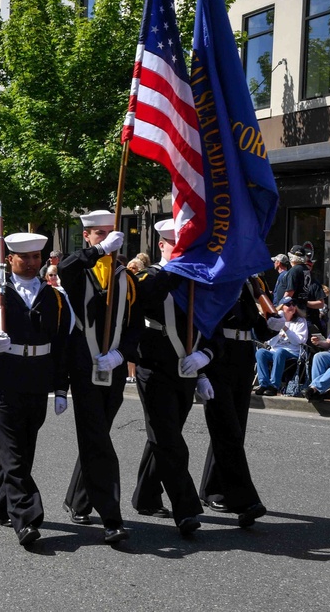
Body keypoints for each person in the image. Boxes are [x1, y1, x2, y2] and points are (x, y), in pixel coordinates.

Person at [0, 231, 72, 546]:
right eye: (25, 257)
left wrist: (61, 388)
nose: (32, 262)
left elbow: (61, 346)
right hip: (3, 381)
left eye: (36, 257)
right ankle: (26, 517)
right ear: (10, 259)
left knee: (23, 448)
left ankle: (2, 503)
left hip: (37, 379)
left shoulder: (54, 298)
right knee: (12, 450)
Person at [130, 219, 221, 537]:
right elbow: (147, 299)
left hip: (187, 369)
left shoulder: (198, 280)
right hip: (154, 368)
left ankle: (145, 496)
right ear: (161, 245)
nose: (181, 250)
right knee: (170, 441)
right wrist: (175, 269)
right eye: (174, 244)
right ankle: (185, 509)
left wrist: (204, 361)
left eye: (186, 245)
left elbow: (209, 325)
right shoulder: (149, 277)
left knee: (162, 437)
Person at [58, 210, 135, 544]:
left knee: (97, 435)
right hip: (84, 368)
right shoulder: (81, 270)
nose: (105, 238)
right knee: (99, 441)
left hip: (113, 369)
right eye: (98, 234)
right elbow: (65, 267)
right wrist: (100, 252)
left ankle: (78, 498)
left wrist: (122, 354)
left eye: (110, 233)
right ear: (87, 236)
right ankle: (111, 516)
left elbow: (135, 324)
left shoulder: (125, 276)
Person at [198, 279, 268, 528]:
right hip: (219, 355)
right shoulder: (214, 282)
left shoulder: (247, 285)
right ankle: (243, 500)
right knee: (227, 428)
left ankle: (212, 489)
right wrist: (202, 371)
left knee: (235, 427)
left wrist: (272, 324)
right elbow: (203, 322)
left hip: (243, 355)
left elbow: (257, 324)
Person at [254, 297, 309, 396]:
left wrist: (285, 328)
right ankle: (264, 384)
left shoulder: (300, 321)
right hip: (274, 351)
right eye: (288, 304)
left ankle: (274, 386)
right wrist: (278, 329)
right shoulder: (275, 321)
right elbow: (270, 343)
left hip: (293, 352)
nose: (292, 306)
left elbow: (298, 341)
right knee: (260, 352)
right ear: (282, 307)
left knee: (280, 352)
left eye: (293, 304)